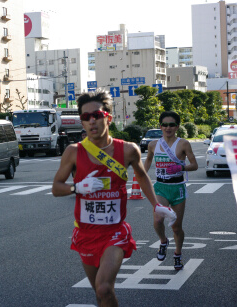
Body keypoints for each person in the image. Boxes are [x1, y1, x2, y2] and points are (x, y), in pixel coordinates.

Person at [52, 90, 175, 306]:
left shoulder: (128, 150)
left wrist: (156, 205)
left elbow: (142, 176)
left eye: (96, 115)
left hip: (114, 233)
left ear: (108, 117)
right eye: (85, 117)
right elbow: (56, 187)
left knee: (105, 288)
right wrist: (77, 187)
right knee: (100, 296)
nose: (92, 122)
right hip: (85, 234)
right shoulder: (73, 152)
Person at [144, 111, 199, 270]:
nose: (168, 128)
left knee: (176, 227)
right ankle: (163, 241)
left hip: (177, 188)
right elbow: (147, 162)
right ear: (160, 126)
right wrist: (140, 176)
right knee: (158, 220)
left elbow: (194, 165)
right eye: (165, 125)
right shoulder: (153, 145)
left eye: (172, 125)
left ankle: (177, 253)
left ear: (177, 127)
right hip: (160, 187)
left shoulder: (183, 144)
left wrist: (180, 167)